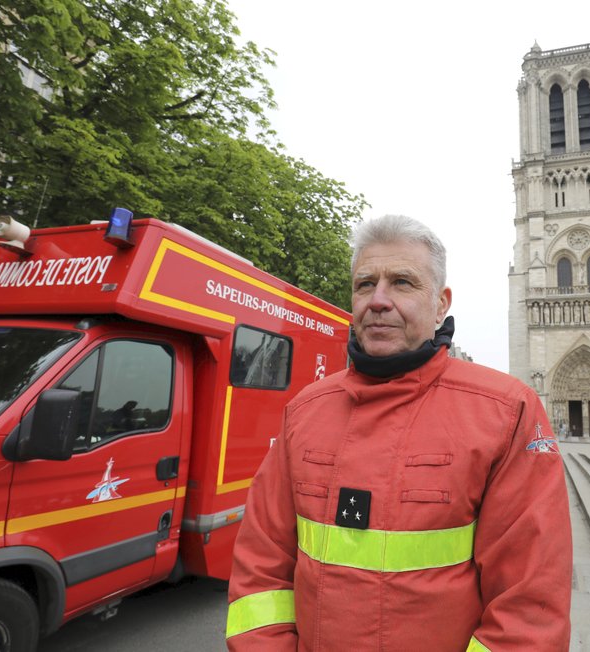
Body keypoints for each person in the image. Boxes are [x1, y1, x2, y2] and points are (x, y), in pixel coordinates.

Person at [226, 215, 572, 651]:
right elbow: (262, 567)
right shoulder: (304, 411)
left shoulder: (506, 411)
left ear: (441, 303)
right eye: (365, 284)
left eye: (403, 282)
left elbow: (530, 606)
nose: (378, 300)